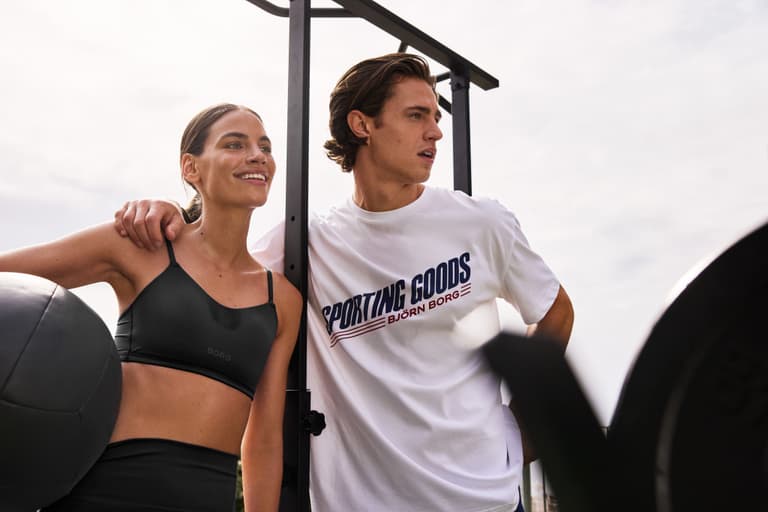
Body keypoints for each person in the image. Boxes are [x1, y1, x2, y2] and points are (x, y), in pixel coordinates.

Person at [115, 54, 574, 512]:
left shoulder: (482, 223)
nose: (435, 130)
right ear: (362, 124)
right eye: (416, 116)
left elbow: (554, 311)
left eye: (435, 116)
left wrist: (520, 426)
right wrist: (169, 212)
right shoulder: (304, 243)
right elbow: (217, 265)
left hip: (483, 499)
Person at [0, 103, 302, 511]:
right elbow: (9, 279)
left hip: (207, 500)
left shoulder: (281, 299)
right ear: (191, 168)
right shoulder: (140, 246)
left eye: (264, 146)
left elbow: (264, 436)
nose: (257, 155)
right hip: (102, 492)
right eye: (235, 144)